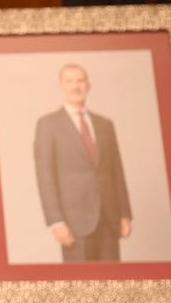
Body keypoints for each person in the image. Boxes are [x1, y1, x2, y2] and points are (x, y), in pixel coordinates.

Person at [33, 63, 133, 261]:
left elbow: (116, 172)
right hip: (73, 222)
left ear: (88, 85)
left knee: (112, 285)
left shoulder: (105, 125)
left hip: (109, 219)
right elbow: (45, 177)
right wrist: (56, 221)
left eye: (80, 80)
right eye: (69, 81)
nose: (75, 86)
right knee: (79, 286)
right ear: (61, 86)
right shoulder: (48, 124)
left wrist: (125, 214)